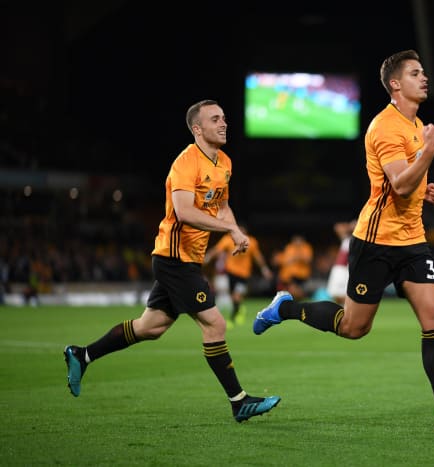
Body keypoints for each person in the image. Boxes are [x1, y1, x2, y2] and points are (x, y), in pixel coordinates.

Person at [253, 50, 434, 438]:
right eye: (415, 73)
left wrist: (424, 190)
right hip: (376, 241)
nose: (424, 78)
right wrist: (429, 153)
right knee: (353, 327)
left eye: (423, 72)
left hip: (412, 241)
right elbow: (398, 183)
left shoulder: (417, 126)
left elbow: (407, 183)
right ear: (396, 84)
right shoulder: (385, 127)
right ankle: (286, 308)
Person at [63, 99, 280, 423]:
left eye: (224, 118)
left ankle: (82, 355)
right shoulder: (185, 163)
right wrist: (229, 230)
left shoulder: (224, 162)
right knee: (215, 324)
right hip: (173, 258)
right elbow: (184, 212)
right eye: (215, 119)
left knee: (150, 327)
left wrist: (234, 229)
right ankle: (239, 401)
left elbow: (221, 206)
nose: (224, 123)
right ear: (197, 129)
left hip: (188, 260)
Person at [204, 225, 273, 328]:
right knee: (233, 297)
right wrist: (208, 257)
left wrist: (264, 269)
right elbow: (217, 250)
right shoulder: (228, 239)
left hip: (244, 274)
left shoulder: (251, 242)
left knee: (237, 296)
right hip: (231, 272)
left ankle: (232, 318)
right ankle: (239, 309)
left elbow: (257, 256)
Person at [273, 234, 313, 300]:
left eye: (299, 240)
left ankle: (298, 294)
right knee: (287, 290)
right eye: (296, 240)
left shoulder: (306, 247)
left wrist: (297, 256)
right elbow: (286, 261)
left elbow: (308, 260)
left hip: (301, 276)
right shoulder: (289, 247)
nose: (297, 242)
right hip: (288, 276)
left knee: (295, 292)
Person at [326, 219, 356, 304]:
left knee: (343, 294)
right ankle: (341, 310)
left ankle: (346, 309)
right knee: (335, 294)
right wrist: (350, 226)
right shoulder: (347, 238)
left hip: (344, 269)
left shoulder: (357, 241)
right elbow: (337, 227)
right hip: (338, 268)